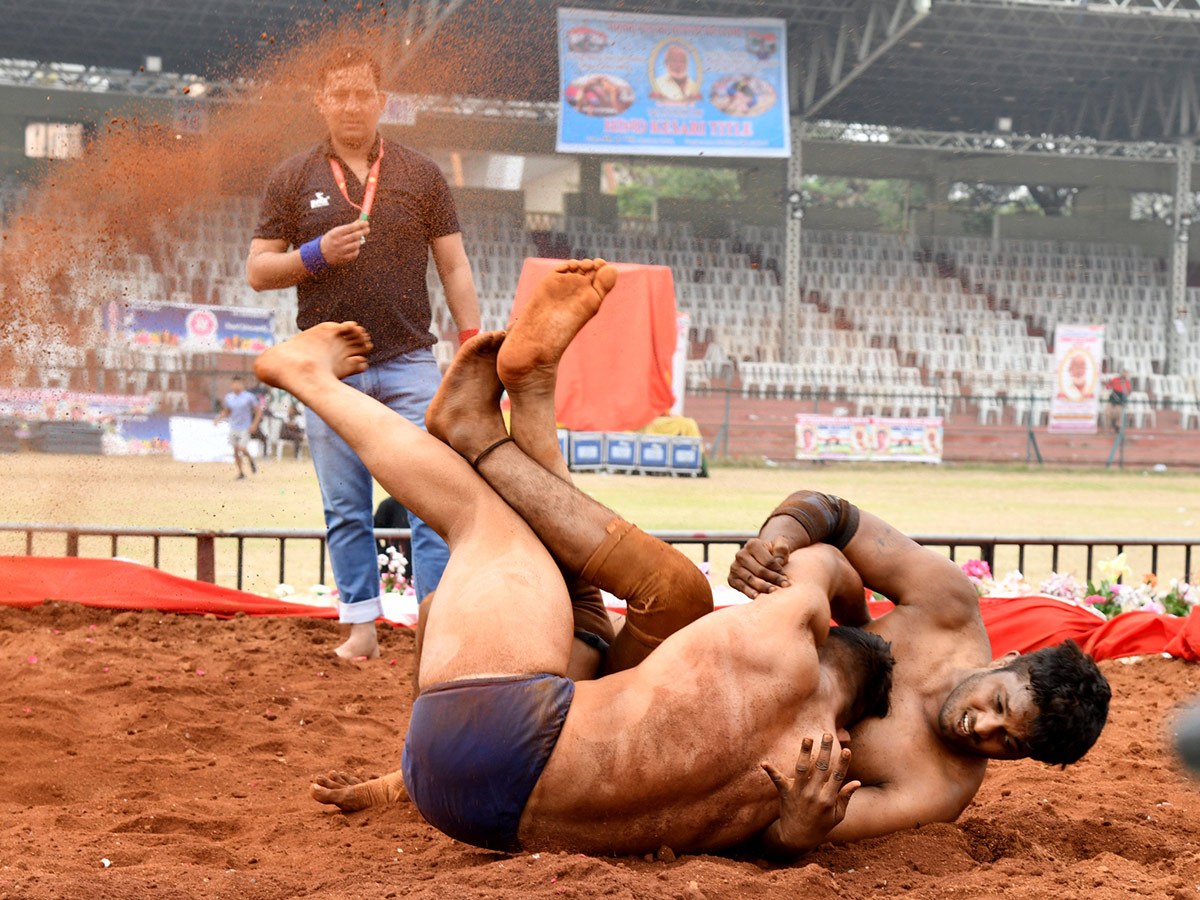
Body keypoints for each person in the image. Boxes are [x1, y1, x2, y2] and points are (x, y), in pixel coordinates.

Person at [254, 261, 896, 857]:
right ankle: (528, 396)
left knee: (487, 520)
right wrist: (799, 832)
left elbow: (820, 565)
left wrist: (850, 606)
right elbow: (769, 844)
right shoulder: (803, 773)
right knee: (613, 597)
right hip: (465, 804)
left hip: (504, 721)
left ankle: (310, 378)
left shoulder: (793, 637)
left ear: (826, 642)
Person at [246, 45, 481, 660]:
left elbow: (453, 265)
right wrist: (316, 254)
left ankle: (436, 629)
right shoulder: (292, 177)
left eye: (363, 94)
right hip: (329, 370)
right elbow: (258, 270)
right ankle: (361, 629)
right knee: (345, 505)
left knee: (432, 504)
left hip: (410, 361)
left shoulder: (422, 174)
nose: (351, 105)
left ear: (382, 101)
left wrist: (474, 342)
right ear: (320, 101)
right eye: (339, 94)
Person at [727, 490, 1112, 843]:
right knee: (821, 564)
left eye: (1008, 743)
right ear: (1005, 661)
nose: (981, 728)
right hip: (740, 656)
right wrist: (772, 546)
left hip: (734, 763)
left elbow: (782, 830)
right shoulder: (948, 605)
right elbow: (834, 514)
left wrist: (795, 833)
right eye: (998, 704)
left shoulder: (938, 792)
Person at [213, 375, 262, 480]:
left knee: (242, 448)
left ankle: (251, 460)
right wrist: (218, 418)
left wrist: (254, 424)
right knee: (235, 451)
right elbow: (227, 411)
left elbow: (258, 410)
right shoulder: (229, 397)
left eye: (238, 383)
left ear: (242, 384)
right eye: (234, 383)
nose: (236, 385)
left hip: (245, 427)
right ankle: (241, 473)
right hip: (234, 426)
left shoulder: (249, 397)